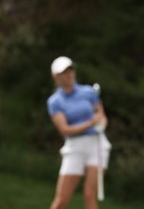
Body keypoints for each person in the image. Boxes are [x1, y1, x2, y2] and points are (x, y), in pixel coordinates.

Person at [47, 56, 111, 209]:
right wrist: (91, 123)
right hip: (74, 147)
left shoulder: (89, 92)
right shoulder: (55, 101)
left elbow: (101, 116)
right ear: (56, 77)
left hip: (96, 145)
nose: (69, 74)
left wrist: (100, 124)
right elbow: (65, 130)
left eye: (70, 70)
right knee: (61, 201)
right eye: (64, 72)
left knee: (90, 195)